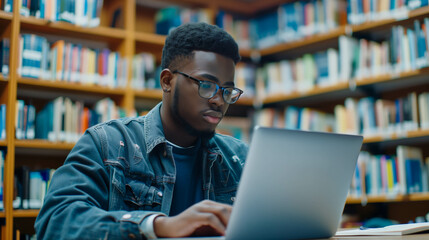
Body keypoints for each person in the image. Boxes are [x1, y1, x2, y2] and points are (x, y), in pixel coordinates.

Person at [35, 22, 248, 239]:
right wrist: (156, 226)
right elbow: (55, 221)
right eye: (206, 85)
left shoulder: (240, 159)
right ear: (167, 81)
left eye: (227, 90)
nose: (219, 100)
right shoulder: (106, 143)